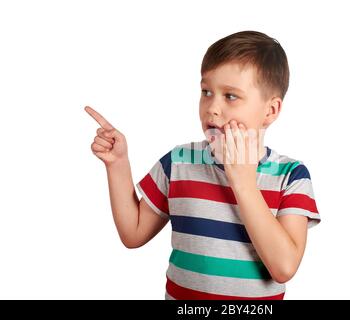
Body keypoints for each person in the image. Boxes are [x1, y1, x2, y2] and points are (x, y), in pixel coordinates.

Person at [85, 30, 321, 300]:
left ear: (271, 111)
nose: (212, 108)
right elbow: (133, 233)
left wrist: (243, 181)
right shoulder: (179, 162)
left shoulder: (291, 176)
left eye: (230, 96)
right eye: (206, 92)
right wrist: (118, 164)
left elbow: (284, 267)